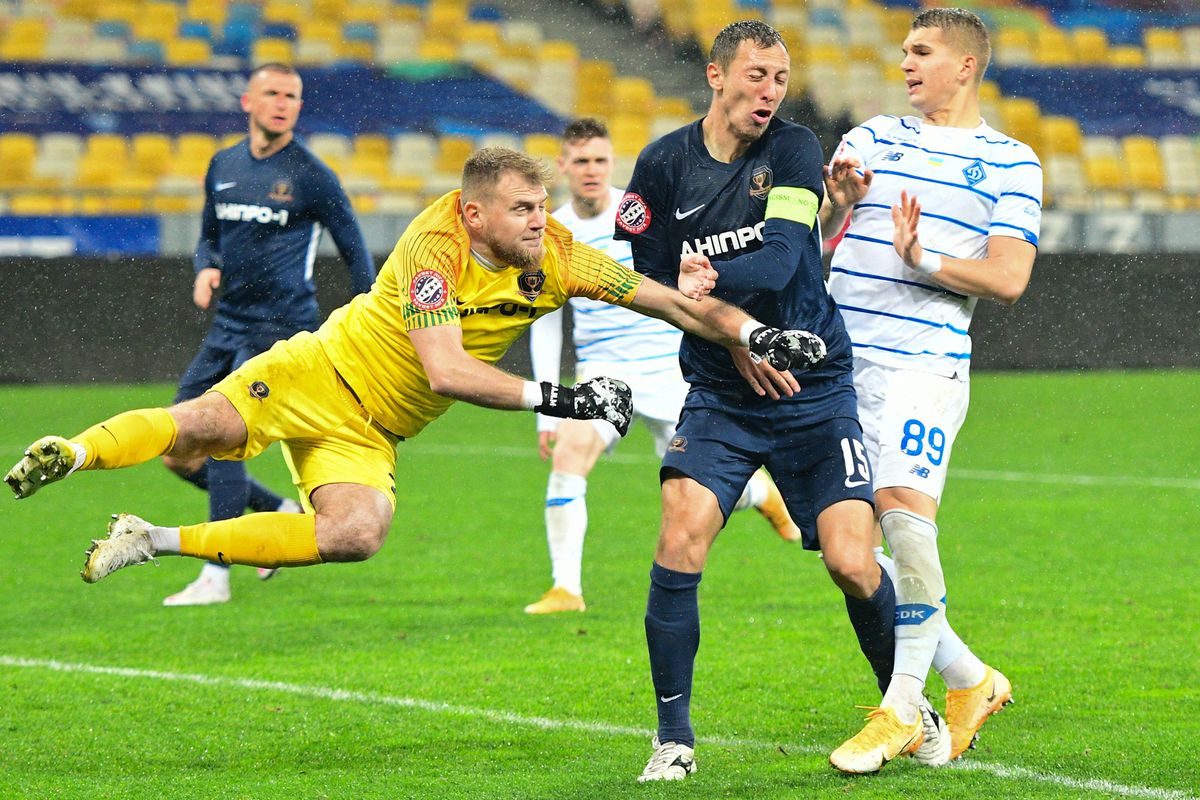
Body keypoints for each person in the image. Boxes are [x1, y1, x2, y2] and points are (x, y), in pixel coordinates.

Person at [4, 148, 826, 616]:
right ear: (473, 215)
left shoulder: (560, 258)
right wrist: (565, 400)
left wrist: (754, 333)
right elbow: (447, 370)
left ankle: (149, 539)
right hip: (320, 372)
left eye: (542, 205)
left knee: (356, 534)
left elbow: (673, 302)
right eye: (522, 209)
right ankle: (73, 453)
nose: (540, 221)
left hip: (373, 431)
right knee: (202, 428)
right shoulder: (434, 250)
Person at [613, 21, 942, 782]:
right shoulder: (662, 165)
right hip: (721, 391)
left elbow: (786, 256)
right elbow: (650, 284)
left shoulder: (793, 150)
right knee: (679, 537)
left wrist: (710, 289)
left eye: (781, 79)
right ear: (716, 75)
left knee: (852, 562)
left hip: (811, 383)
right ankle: (673, 739)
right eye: (756, 75)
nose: (770, 92)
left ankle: (906, 705)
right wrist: (734, 337)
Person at [821, 8, 1040, 772]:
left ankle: (902, 709)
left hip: (924, 364)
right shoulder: (871, 137)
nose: (906, 63)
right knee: (848, 552)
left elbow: (1009, 277)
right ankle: (970, 678)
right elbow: (814, 236)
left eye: (921, 52)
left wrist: (927, 261)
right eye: (905, 51)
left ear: (966, 66)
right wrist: (837, 203)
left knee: (905, 520)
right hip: (839, 368)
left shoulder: (1011, 162)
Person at [524, 117, 803, 615]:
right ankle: (565, 589)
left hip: (668, 364)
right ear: (563, 166)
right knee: (569, 457)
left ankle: (760, 493)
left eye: (600, 160)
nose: (591, 170)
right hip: (603, 370)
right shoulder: (553, 235)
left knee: (703, 482)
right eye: (581, 161)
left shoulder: (642, 212)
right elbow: (544, 321)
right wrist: (549, 411)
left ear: (612, 162)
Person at [161, 62, 377, 607]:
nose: (283, 103)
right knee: (177, 451)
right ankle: (277, 510)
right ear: (248, 102)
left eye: (292, 96)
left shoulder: (311, 174)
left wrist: (367, 322)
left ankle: (216, 574)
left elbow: (355, 249)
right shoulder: (224, 164)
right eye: (273, 93)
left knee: (221, 443)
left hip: (281, 332)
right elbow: (209, 236)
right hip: (227, 325)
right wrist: (205, 268)